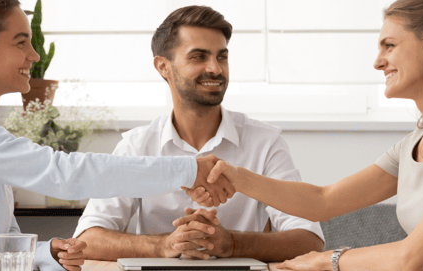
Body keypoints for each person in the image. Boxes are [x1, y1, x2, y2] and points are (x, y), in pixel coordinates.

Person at [0, 1, 233, 270]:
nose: (33, 55)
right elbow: (65, 174)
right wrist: (189, 170)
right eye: (20, 43)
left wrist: (49, 252)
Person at [192, 0, 423, 270]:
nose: (377, 62)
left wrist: (326, 261)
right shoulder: (416, 142)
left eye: (390, 45)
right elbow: (323, 201)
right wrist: (235, 177)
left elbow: (411, 257)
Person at [72, 5, 324, 261]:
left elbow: (309, 240)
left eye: (222, 57)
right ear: (163, 66)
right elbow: (87, 239)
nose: (215, 68)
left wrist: (233, 244)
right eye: (199, 57)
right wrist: (164, 245)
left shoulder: (265, 142)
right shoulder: (137, 146)